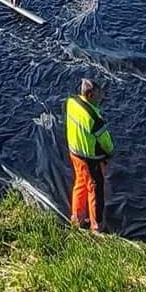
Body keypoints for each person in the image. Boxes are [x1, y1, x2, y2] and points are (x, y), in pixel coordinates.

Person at [64, 78, 115, 233]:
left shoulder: (71, 103)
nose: (100, 99)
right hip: (89, 159)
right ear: (90, 95)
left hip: (74, 152)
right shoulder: (93, 118)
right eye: (98, 95)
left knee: (80, 183)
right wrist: (110, 152)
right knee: (95, 189)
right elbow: (106, 142)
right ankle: (96, 225)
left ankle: (77, 217)